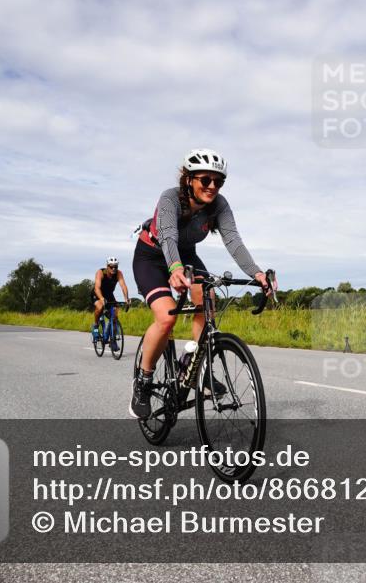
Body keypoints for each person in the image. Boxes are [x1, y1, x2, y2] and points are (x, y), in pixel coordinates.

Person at [129, 148, 276, 418]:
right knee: (166, 318)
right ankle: (143, 382)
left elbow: (233, 240)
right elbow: (168, 237)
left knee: (207, 300)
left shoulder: (219, 205)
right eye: (205, 180)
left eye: (218, 182)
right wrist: (173, 268)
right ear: (189, 179)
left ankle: (198, 367)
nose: (212, 187)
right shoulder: (170, 198)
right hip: (152, 255)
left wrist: (257, 273)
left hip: (186, 256)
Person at [92, 257, 130, 347]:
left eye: (115, 267)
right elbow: (97, 288)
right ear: (107, 266)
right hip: (98, 294)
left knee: (115, 315)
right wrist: (101, 298)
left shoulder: (118, 273)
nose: (114, 269)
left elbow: (123, 286)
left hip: (109, 295)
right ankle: (96, 326)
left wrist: (126, 298)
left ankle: (112, 340)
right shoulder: (101, 272)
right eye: (111, 267)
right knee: (100, 307)